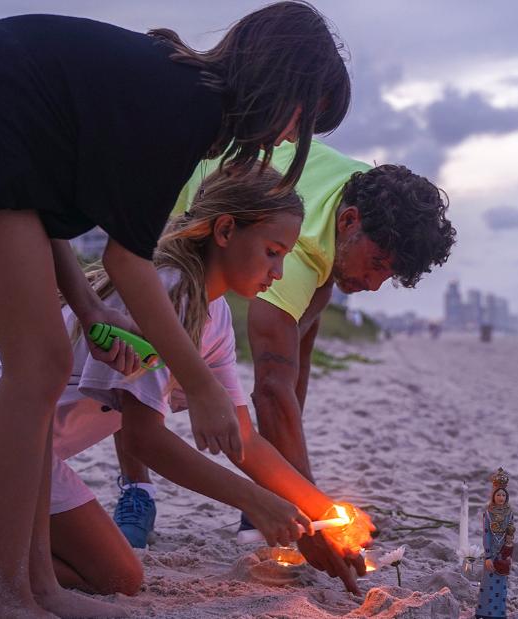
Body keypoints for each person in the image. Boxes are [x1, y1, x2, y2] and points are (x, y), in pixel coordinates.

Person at [0, 5, 350, 615]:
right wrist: (201, 387)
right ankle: (5, 598)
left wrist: (89, 308)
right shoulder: (187, 106)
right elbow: (128, 261)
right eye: (303, 120)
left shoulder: (177, 96)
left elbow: (49, 203)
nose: (289, 138)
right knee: (39, 365)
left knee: (40, 366)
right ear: (285, 83)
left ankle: (36, 587)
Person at [0, 168, 373, 599]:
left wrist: (327, 515)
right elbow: (142, 441)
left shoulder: (217, 317)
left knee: (76, 552)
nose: (279, 273)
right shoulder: (164, 290)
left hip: (28, 442)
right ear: (226, 231)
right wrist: (258, 501)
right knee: (118, 574)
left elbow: (244, 440)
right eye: (273, 252)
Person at [108, 139, 456, 575]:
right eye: (378, 263)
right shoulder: (299, 248)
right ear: (348, 222)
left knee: (278, 361)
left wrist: (291, 492)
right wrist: (315, 519)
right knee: (146, 344)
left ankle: (272, 487)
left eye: (391, 274)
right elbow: (270, 391)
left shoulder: (367, 201)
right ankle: (136, 490)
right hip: (188, 171)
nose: (375, 283)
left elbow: (292, 376)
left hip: (269, 209)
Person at [476, 468, 514, 619]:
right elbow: (486, 534)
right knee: (488, 583)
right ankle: (485, 614)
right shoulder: (488, 513)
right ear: (493, 495)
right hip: (491, 552)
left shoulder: (509, 512)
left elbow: (511, 534)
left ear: (507, 496)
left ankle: (499, 614)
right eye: (498, 494)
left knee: (501, 583)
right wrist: (487, 556)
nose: (501, 497)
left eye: (503, 495)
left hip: (503, 553)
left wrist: (509, 550)